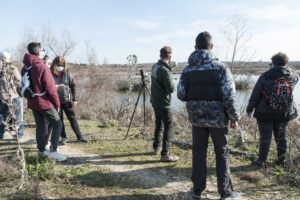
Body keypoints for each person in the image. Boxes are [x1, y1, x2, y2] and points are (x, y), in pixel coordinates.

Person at [177, 32, 240, 200]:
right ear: (211, 47)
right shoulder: (221, 68)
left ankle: (196, 191)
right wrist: (234, 117)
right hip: (218, 120)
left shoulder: (187, 70)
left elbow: (181, 94)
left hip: (197, 119)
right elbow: (229, 96)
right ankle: (225, 194)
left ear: (195, 47)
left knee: (198, 153)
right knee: (222, 154)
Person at [246, 52, 299, 167]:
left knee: (265, 137)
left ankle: (261, 161)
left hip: (265, 113)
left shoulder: (265, 76)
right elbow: (294, 75)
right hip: (284, 112)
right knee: (281, 137)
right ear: (286, 63)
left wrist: (249, 109)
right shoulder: (293, 76)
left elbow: (255, 95)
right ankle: (281, 161)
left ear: (273, 63)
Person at [21, 42, 67, 162]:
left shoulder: (25, 67)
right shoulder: (42, 67)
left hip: (33, 102)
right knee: (57, 124)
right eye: (42, 50)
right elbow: (50, 89)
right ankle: (53, 152)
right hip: (44, 103)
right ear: (38, 52)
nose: (43, 52)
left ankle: (42, 151)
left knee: (40, 127)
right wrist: (56, 104)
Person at [150, 46, 178, 162]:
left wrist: (170, 66)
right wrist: (170, 71)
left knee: (158, 124)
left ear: (160, 55)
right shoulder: (165, 71)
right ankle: (165, 154)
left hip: (155, 101)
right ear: (170, 57)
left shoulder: (155, 66)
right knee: (169, 126)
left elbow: (163, 68)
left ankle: (156, 147)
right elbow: (171, 89)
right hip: (164, 103)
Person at [50, 56, 87, 144]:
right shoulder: (50, 73)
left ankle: (79, 137)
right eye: (58, 64)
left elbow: (73, 85)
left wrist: (75, 99)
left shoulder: (67, 72)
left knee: (72, 118)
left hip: (66, 100)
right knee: (59, 120)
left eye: (62, 64)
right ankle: (63, 137)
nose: (60, 65)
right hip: (55, 101)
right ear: (54, 64)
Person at [0, 52, 26, 140]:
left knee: (3, 115)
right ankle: (20, 133)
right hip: (13, 96)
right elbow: (19, 79)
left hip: (2, 97)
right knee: (18, 115)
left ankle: (1, 134)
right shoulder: (11, 68)